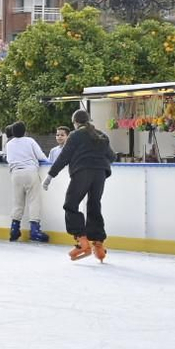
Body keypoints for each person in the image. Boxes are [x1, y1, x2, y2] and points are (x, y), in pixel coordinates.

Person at [45, 108, 115, 262]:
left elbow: (64, 157)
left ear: (75, 123)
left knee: (70, 205)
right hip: (100, 174)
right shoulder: (101, 135)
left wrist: (50, 175)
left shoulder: (75, 135)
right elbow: (112, 156)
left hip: (83, 172)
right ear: (88, 120)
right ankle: (99, 245)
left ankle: (82, 241)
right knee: (94, 205)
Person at [3, 121, 50, 243]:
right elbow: (41, 156)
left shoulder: (9, 144)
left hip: (15, 174)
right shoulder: (30, 141)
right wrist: (49, 162)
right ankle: (34, 230)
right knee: (34, 201)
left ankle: (14, 229)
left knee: (17, 202)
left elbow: (8, 159)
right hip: (30, 172)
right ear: (25, 131)